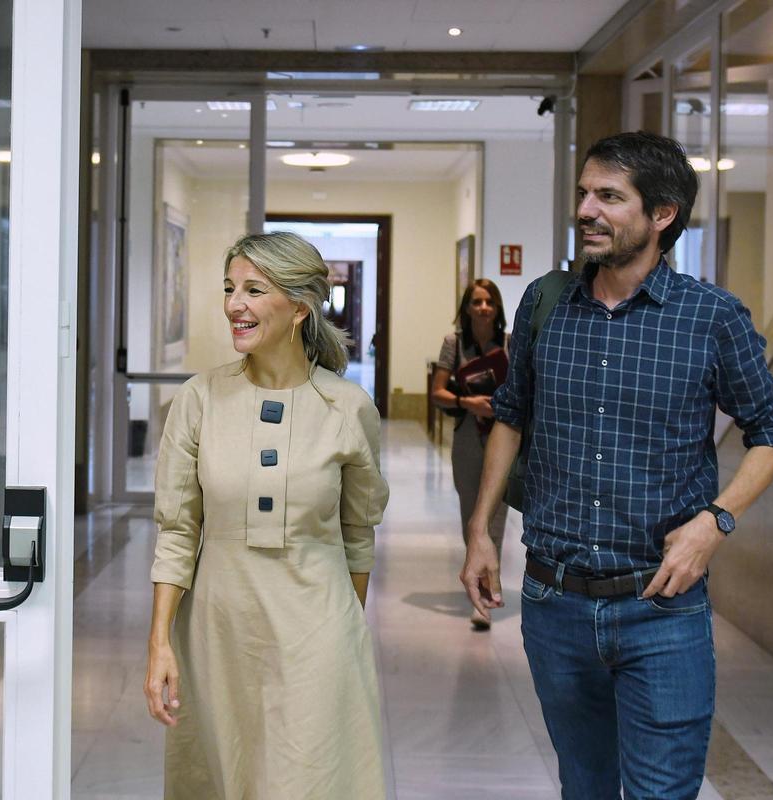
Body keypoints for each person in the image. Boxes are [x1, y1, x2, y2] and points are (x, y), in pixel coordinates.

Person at [459, 131, 773, 799]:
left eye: (609, 197)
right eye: (584, 193)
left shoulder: (711, 319)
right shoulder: (546, 303)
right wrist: (479, 531)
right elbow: (512, 413)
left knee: (660, 792)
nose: (586, 209)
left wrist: (713, 522)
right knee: (585, 786)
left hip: (661, 608)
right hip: (553, 602)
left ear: (662, 214)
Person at [144, 232, 390, 800]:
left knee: (308, 779)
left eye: (254, 290)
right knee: (227, 774)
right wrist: (161, 644)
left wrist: (341, 631)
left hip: (317, 630)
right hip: (217, 631)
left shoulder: (347, 407)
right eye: (230, 289)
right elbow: (178, 532)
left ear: (300, 307)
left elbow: (359, 535)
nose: (235, 304)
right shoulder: (199, 400)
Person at [430, 279, 510, 630]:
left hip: (502, 437)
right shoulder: (454, 343)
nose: (483, 308)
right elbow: (437, 393)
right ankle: (478, 583)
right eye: (476, 302)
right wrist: (468, 402)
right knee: (471, 513)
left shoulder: (509, 344)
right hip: (467, 437)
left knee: (496, 516)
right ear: (466, 308)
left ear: (497, 307)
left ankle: (487, 597)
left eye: (488, 301)